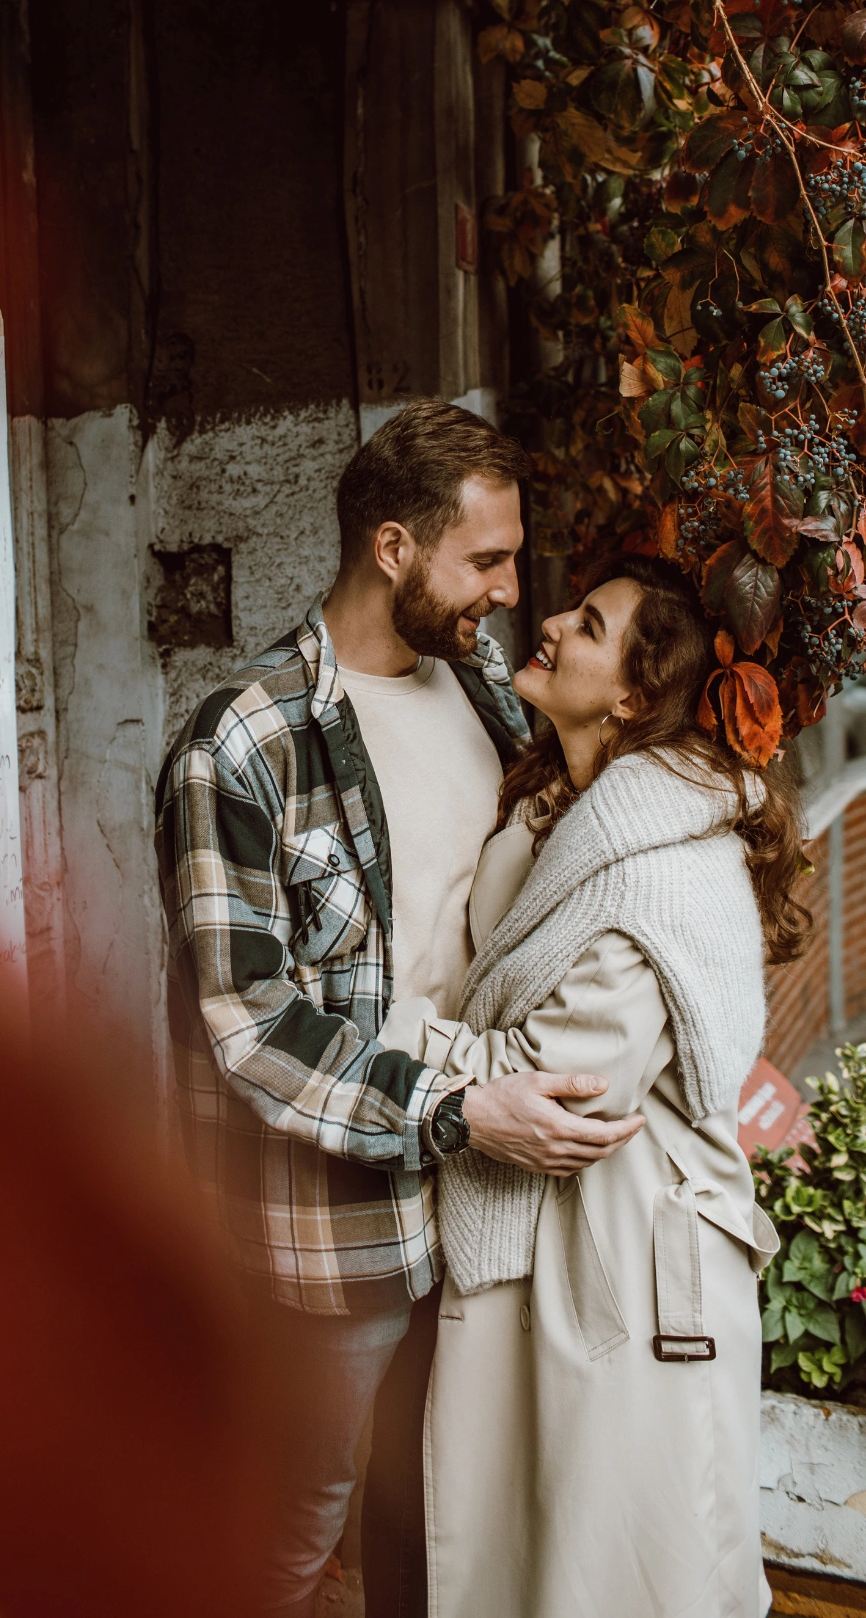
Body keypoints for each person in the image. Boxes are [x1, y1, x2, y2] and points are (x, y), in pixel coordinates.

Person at [154, 401, 644, 1618]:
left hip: (477, 1207)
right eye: (485, 559)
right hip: (331, 1229)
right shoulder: (243, 742)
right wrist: (460, 1107)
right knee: (288, 1530)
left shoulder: (485, 690)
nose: (510, 590)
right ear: (392, 548)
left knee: (431, 1520)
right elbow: (248, 1023)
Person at [379, 553, 804, 1618]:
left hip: (629, 1254)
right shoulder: (552, 817)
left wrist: (387, 1035)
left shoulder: (664, 869)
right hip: (557, 1228)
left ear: (628, 696)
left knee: (617, 1575)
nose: (553, 622)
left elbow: (565, 1081)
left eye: (590, 623)